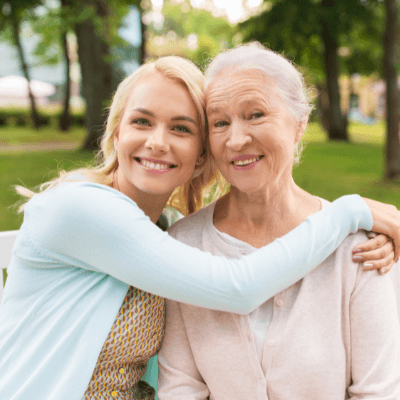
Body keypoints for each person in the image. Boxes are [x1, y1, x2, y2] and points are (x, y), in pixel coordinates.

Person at [0, 56, 397, 400]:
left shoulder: (165, 231)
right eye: (141, 121)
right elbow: (236, 288)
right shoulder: (79, 208)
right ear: (116, 130)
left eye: (181, 128)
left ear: (201, 152)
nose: (157, 142)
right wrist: (347, 212)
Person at [157, 44, 400, 399]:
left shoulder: (361, 246)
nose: (236, 139)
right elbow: (179, 388)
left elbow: (379, 391)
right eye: (220, 122)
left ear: (299, 124)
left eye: (255, 115)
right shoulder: (184, 244)